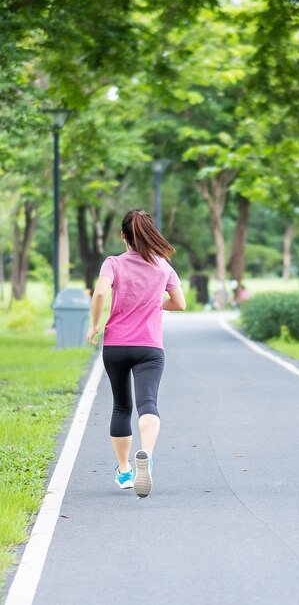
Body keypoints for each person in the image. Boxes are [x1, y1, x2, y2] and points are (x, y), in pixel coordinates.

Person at [87, 209, 186, 498]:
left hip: (116, 345)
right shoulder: (162, 266)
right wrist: (154, 303)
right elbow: (179, 303)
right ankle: (148, 456)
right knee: (148, 403)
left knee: (121, 406)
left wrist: (94, 324)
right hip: (150, 347)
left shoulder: (113, 263)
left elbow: (100, 293)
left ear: (123, 235)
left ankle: (124, 470)